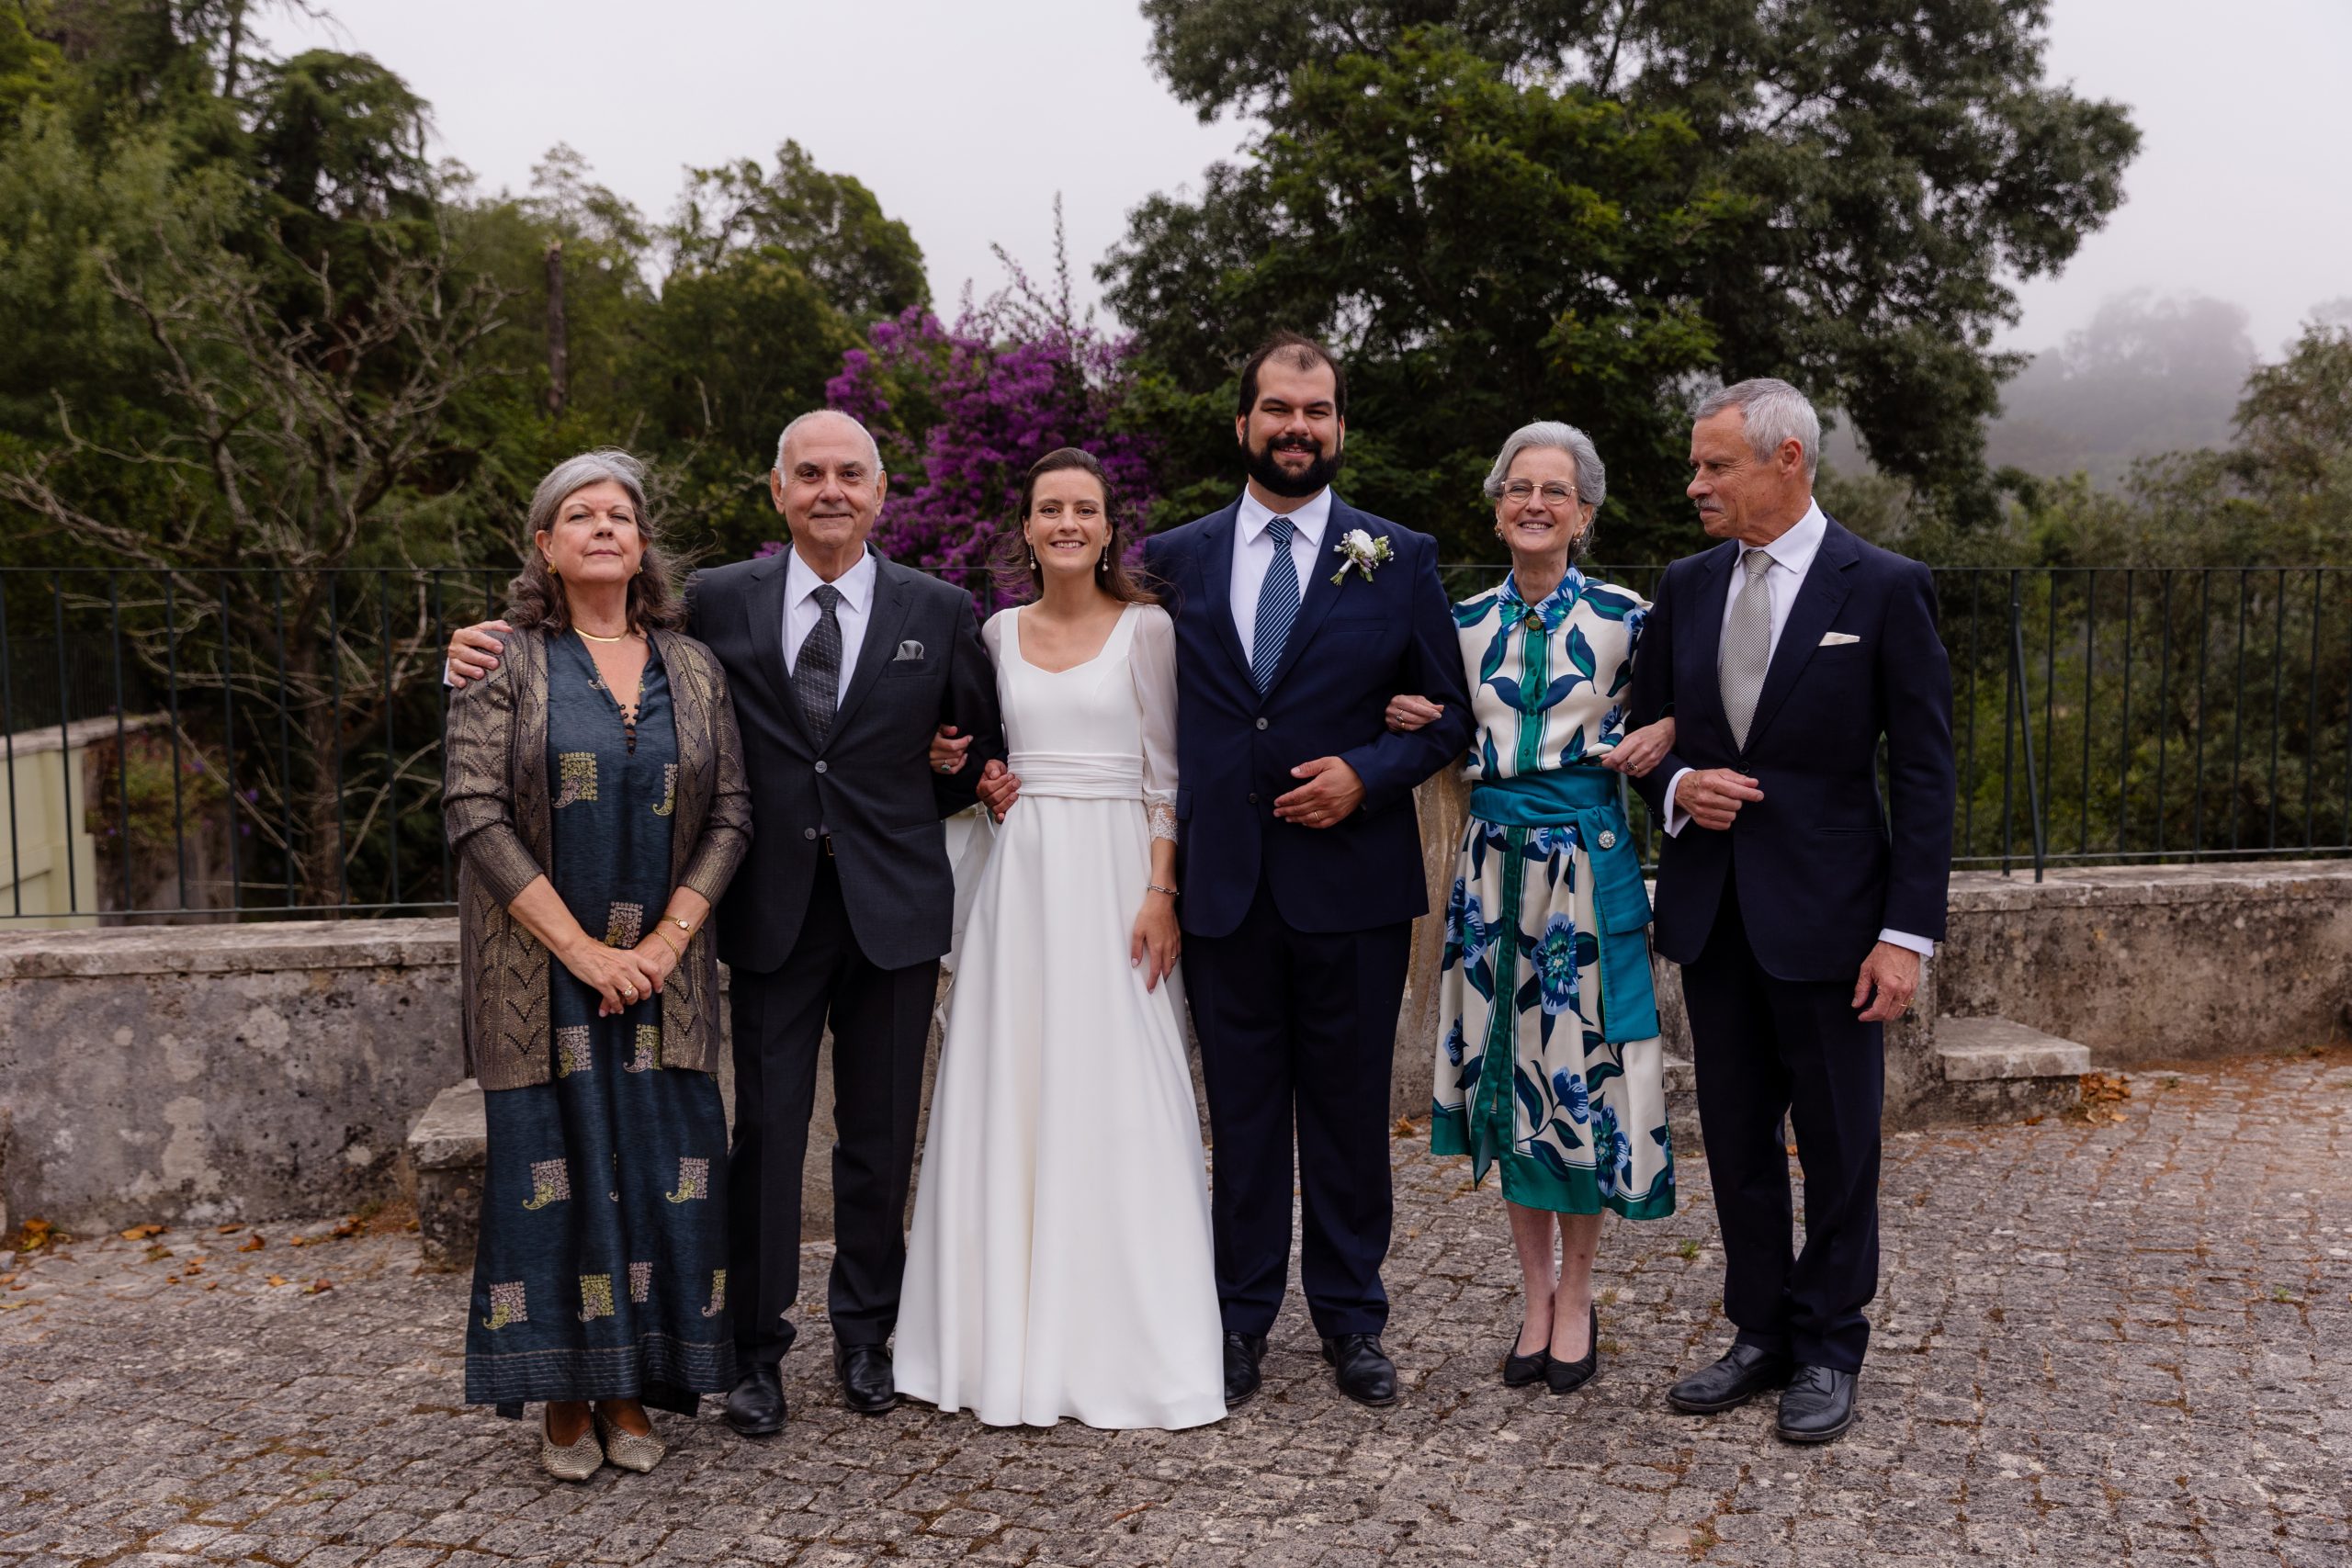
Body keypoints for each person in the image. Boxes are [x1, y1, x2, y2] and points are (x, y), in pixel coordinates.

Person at [444, 411, 1004, 1437]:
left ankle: (867, 1338)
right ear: (777, 490)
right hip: (766, 908)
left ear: (881, 492)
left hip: (893, 909)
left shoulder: (941, 607)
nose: (830, 490)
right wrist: (465, 650)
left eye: (851, 474)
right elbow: (602, 658)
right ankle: (753, 1350)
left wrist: (942, 777)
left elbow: (975, 751)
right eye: (809, 473)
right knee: (766, 1136)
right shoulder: (715, 603)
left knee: (881, 1139)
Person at [985, 334, 1474, 1409]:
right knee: (1242, 1119)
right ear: (1243, 423)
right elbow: (1113, 693)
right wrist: (986, 761)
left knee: (1348, 1116)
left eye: (1317, 411)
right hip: (1223, 884)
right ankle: (1238, 1319)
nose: (1297, 428)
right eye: (1278, 410)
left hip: (1352, 884)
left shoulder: (1398, 556)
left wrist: (1367, 771)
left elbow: (1449, 719)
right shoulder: (1176, 560)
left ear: (1339, 427)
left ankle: (1352, 1318)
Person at [1626, 378, 1955, 1444]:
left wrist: (1903, 936)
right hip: (1714, 916)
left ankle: (1828, 1344)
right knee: (1734, 1139)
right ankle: (1760, 1331)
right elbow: (1645, 735)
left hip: (1834, 922)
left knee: (1840, 1143)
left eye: (1715, 465)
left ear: (1787, 461)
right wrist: (1679, 787)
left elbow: (1925, 776)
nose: (1696, 484)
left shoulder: (1884, 587)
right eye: (1695, 465)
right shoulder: (1683, 585)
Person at [444, 449, 752, 1480]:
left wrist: (663, 942)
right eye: (580, 515)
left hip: (665, 978)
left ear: (643, 543)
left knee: (663, 1174)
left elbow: (732, 813)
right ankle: (565, 1395)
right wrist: (581, 950)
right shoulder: (499, 663)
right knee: (554, 1176)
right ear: (546, 545)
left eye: (620, 514)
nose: (604, 527)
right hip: (538, 977)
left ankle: (630, 1386)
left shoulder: (694, 667)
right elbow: (473, 812)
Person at [900, 447, 1223, 1429]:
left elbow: (1166, 772)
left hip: (1119, 874)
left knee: (1123, 1087)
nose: (1068, 523)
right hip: (1025, 877)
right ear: (1028, 529)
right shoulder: (994, 632)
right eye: (1051, 509)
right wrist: (974, 771)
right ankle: (994, 1338)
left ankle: (1126, 1339)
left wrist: (1161, 889)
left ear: (1109, 528)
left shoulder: (1149, 629)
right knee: (1015, 1084)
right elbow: (976, 754)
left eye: (1086, 508)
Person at [1383, 422, 1679, 1397]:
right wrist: (1416, 715)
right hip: (1490, 875)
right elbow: (1440, 722)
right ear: (1497, 506)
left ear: (1584, 513)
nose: (1535, 504)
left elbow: (1686, 709)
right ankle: (1533, 1296)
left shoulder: (1632, 618)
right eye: (1519, 488)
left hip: (1584, 872)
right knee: (1510, 1081)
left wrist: (1667, 727)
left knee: (1578, 1078)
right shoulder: (1459, 621)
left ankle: (1579, 1297)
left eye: (1556, 491)